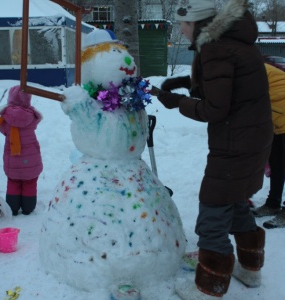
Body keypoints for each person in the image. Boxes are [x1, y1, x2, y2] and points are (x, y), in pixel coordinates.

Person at [155, 0, 273, 299]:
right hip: (253, 139)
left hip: (235, 143)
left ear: (198, 24)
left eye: (184, 23)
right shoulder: (233, 43)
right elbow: (229, 88)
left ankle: (210, 287)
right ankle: (249, 269)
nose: (180, 29)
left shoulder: (216, 50)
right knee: (234, 201)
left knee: (212, 211)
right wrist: (186, 81)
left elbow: (216, 108)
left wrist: (177, 102)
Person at [0, 85, 43, 216]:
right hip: (31, 158)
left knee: (13, 181)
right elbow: (36, 123)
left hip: (13, 159)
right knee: (30, 181)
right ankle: (28, 207)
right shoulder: (32, 116)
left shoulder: (5, 118)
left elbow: (3, 130)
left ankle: (13, 208)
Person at [251, 63, 285, 229]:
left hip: (282, 114)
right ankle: (273, 203)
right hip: (277, 120)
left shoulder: (249, 68)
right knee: (277, 163)